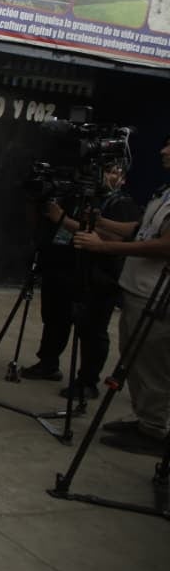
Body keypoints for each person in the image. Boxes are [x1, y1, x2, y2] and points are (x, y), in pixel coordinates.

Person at [73, 136, 170, 456]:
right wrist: (102, 222)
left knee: (152, 362)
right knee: (135, 358)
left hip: (157, 295)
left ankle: (155, 429)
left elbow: (164, 246)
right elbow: (140, 230)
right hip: (137, 289)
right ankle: (146, 419)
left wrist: (104, 246)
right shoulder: (164, 192)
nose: (163, 150)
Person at [20, 162, 140, 398]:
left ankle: (87, 381)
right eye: (102, 170)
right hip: (62, 266)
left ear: (123, 178)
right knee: (55, 318)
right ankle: (48, 363)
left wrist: (62, 219)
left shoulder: (121, 204)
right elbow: (47, 221)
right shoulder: (75, 196)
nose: (104, 176)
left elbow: (114, 237)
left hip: (98, 276)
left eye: (112, 172)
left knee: (92, 330)